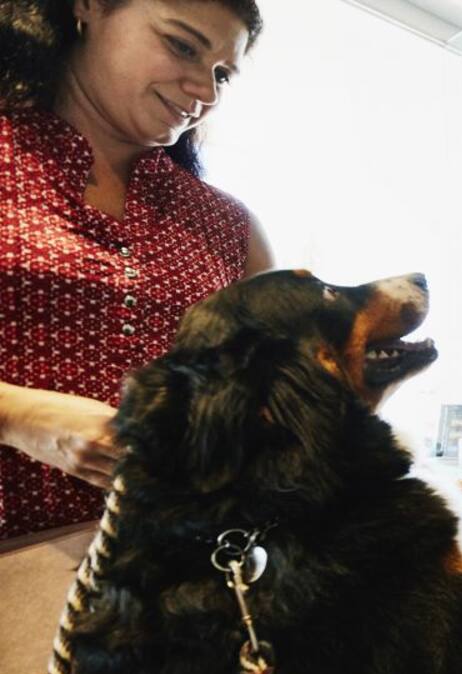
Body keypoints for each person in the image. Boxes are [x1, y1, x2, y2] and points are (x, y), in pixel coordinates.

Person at [0, 0, 273, 539]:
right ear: (89, 8)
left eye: (222, 74)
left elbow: (274, 394)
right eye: (182, 46)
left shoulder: (229, 228)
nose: (205, 91)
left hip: (174, 563)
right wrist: (17, 415)